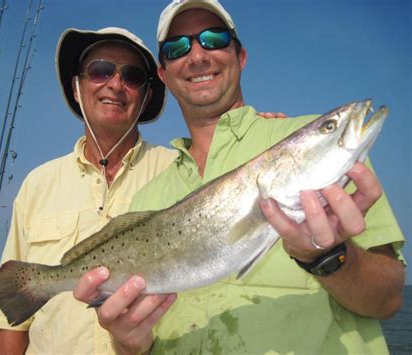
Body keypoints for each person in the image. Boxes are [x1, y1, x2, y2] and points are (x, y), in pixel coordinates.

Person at [73, 1, 406, 354]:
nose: (197, 56)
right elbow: (135, 345)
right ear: (164, 75)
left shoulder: (335, 162)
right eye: (177, 48)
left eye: (214, 39)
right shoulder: (147, 198)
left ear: (241, 56)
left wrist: (331, 258)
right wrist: (127, 343)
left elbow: (387, 300)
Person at [0, 27, 180, 354]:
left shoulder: (178, 170)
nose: (115, 84)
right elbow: (12, 319)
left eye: (131, 76)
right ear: (77, 88)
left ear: (145, 97)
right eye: (100, 71)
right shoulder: (38, 184)